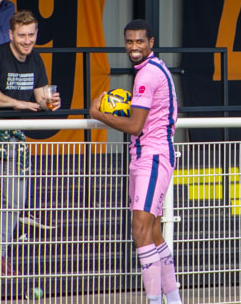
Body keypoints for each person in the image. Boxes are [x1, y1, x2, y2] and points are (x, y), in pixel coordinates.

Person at [90, 19, 182, 304]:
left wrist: (98, 113)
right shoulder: (152, 69)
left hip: (152, 157)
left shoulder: (147, 76)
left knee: (140, 229)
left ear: (151, 43)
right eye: (129, 41)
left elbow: (135, 126)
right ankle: (175, 301)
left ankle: (155, 301)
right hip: (148, 156)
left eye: (140, 41)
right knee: (152, 232)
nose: (134, 47)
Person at [0, 10, 60, 277]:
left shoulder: (35, 58)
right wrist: (18, 103)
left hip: (16, 136)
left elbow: (42, 96)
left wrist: (51, 103)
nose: (26, 40)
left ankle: (0, 256)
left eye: (31, 35)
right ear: (11, 34)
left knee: (14, 201)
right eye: (21, 35)